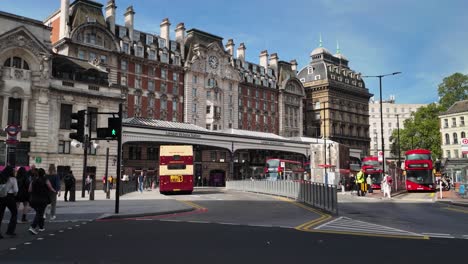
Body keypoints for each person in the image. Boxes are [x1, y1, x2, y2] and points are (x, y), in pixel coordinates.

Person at [29, 168, 56, 235]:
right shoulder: (45, 180)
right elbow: (50, 187)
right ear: (44, 173)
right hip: (42, 199)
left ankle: (41, 227)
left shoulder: (33, 180)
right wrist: (54, 191)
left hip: (33, 199)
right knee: (40, 213)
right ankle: (33, 227)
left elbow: (29, 190)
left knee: (39, 213)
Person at [0, 166, 19, 238]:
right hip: (9, 197)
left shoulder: (1, 177)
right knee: (14, 213)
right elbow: (16, 190)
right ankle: (10, 231)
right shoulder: (13, 179)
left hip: (1, 197)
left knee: (0, 214)